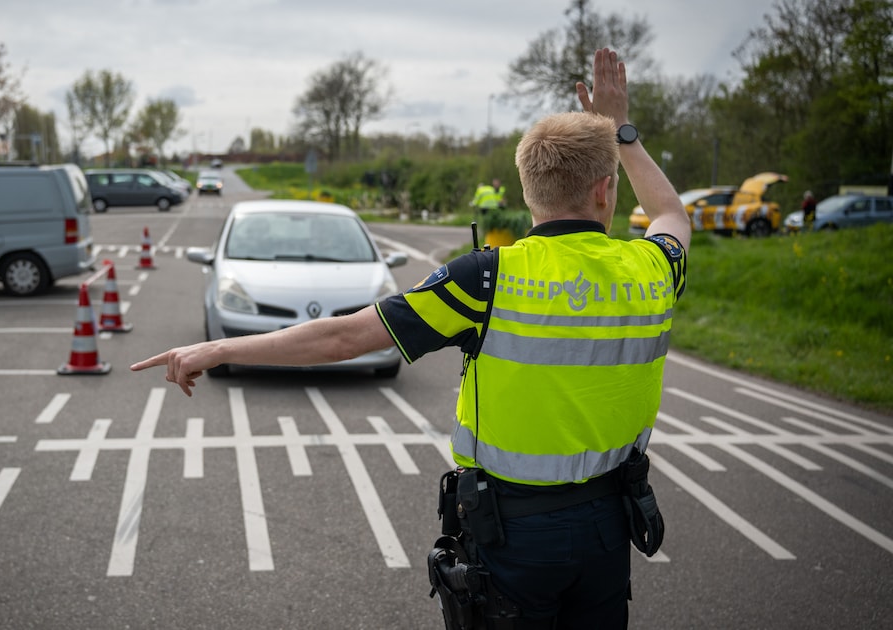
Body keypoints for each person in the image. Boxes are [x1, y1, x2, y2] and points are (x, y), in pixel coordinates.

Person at [132, 47, 689, 628]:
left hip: (514, 532)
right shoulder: (651, 270)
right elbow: (672, 214)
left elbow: (343, 338)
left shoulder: (487, 277)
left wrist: (220, 348)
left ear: (529, 192)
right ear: (605, 190)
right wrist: (621, 131)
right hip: (609, 527)